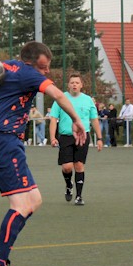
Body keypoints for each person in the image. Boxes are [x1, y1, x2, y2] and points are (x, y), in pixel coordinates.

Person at [0, 42, 87, 266]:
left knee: (34, 200)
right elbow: (59, 96)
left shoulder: (5, 67)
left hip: (0, 141)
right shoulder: (26, 73)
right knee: (20, 205)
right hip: (3, 141)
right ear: (31, 62)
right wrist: (78, 121)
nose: (45, 72)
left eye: (47, 68)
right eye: (43, 67)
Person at [49, 73, 102, 206]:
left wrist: (100, 138)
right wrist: (52, 137)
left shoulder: (88, 100)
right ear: (68, 85)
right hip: (66, 136)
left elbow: (94, 119)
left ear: (81, 85)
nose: (74, 85)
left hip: (82, 136)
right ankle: (68, 185)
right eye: (72, 82)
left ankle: (79, 196)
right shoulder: (60, 98)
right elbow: (53, 119)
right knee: (67, 167)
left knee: (79, 165)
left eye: (77, 83)